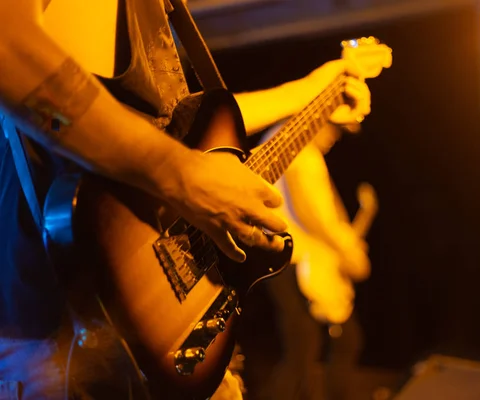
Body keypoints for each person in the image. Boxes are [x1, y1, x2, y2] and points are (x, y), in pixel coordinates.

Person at [0, 0, 372, 398]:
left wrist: (316, 91)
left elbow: (165, 130)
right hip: (70, 343)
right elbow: (8, 49)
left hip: (157, 341)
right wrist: (185, 178)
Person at [257, 121, 371, 400]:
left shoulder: (288, 143)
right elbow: (311, 214)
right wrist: (347, 251)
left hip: (290, 256)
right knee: (307, 344)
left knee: (307, 343)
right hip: (292, 258)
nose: (334, 137)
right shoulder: (301, 151)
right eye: (332, 128)